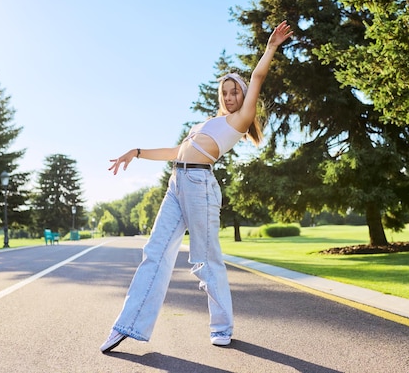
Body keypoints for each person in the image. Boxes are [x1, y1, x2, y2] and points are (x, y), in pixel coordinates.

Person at [100, 20, 293, 353]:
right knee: (154, 253)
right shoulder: (207, 123)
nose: (230, 96)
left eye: (236, 91)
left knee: (205, 259)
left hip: (200, 184)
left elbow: (258, 76)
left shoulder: (239, 121)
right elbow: (177, 152)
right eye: (226, 92)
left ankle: (221, 327)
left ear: (243, 96)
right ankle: (128, 325)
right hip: (177, 182)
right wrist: (137, 152)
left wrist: (271, 47)